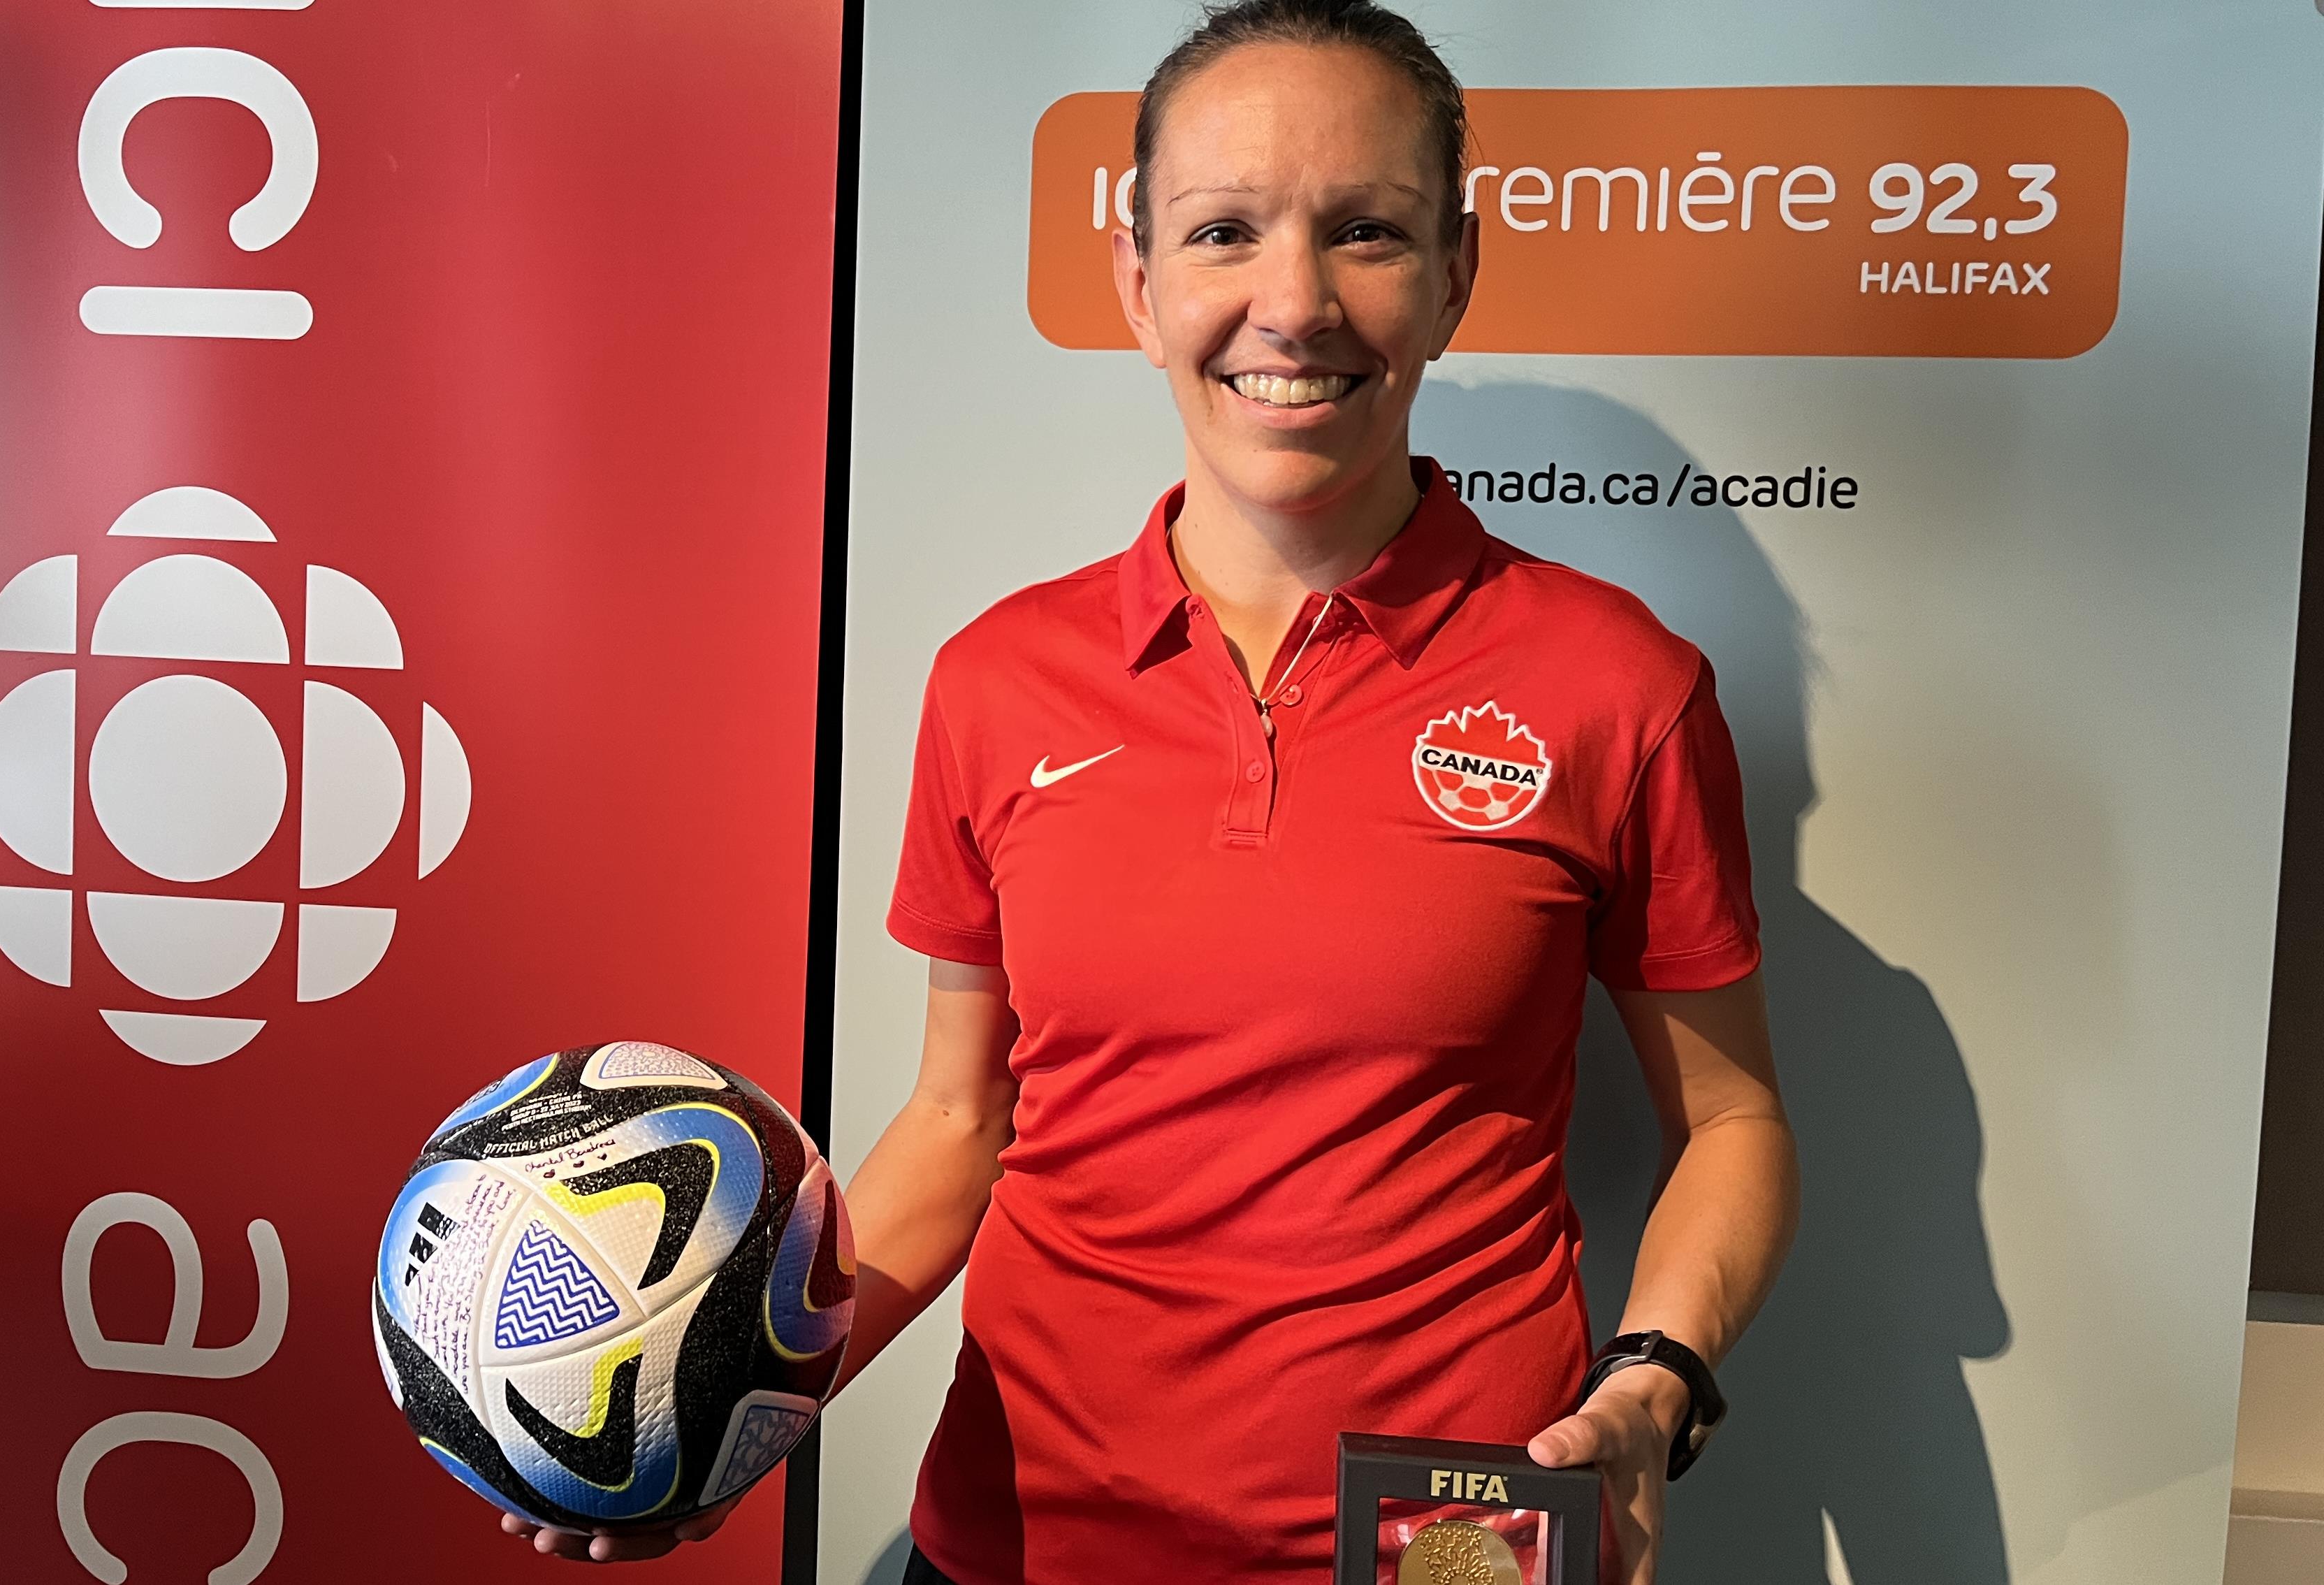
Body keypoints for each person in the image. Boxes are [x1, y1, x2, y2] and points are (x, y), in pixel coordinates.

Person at [501, 2, 1799, 1579]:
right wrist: (734, 1409)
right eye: (1225, 232)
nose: (1293, 302)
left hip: (1442, 1550)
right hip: (1029, 1542)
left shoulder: (1616, 683)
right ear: (1139, 284)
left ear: (1455, 275)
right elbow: (964, 1116)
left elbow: (1731, 1121)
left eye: (1368, 232)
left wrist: (1655, 1382)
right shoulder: (998, 679)